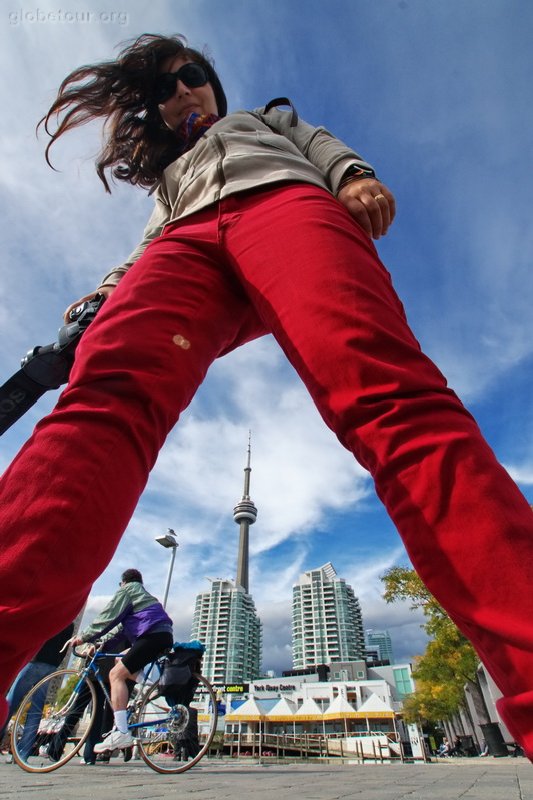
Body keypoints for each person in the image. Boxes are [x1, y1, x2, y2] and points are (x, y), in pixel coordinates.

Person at [0, 32, 532, 760]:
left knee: (388, 394)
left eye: (191, 76)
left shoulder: (264, 118)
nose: (182, 91)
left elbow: (317, 140)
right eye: (163, 89)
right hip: (179, 246)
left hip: (285, 206)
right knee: (100, 404)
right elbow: (150, 238)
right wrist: (106, 290)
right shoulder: (170, 179)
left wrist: (349, 175)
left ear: (212, 84)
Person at [65, 569, 173, 752]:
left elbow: (108, 616)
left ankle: (122, 732)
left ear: (124, 581)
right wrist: (100, 644)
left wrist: (83, 637)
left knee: (115, 675)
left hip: (152, 635)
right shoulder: (143, 597)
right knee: (118, 661)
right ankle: (151, 686)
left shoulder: (128, 590)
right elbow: (120, 630)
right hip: (162, 634)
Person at [0, 623, 74, 761]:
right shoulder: (69, 622)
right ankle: (22, 754)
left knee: (11, 703)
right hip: (51, 667)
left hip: (35, 662)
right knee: (36, 711)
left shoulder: (50, 616)